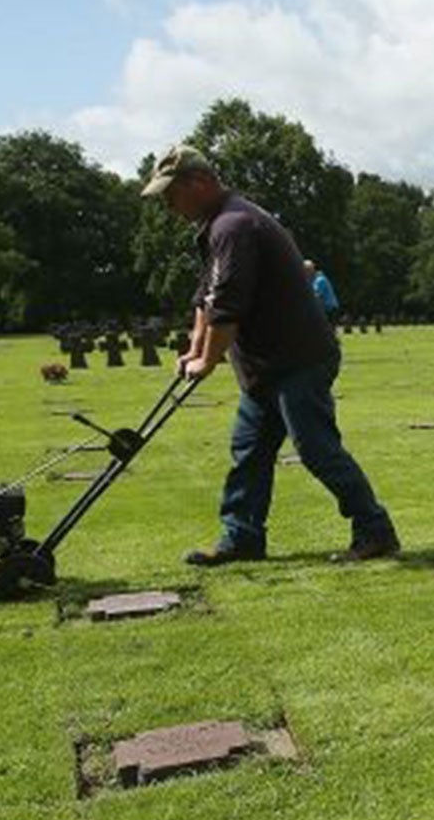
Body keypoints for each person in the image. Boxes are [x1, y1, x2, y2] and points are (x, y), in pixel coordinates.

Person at [141, 145, 398, 566]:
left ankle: (375, 530)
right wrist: (194, 348)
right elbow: (206, 301)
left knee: (316, 448)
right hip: (267, 366)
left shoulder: (235, 226)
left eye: (172, 193)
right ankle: (241, 538)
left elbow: (228, 306)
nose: (168, 204)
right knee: (250, 451)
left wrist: (206, 361)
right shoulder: (218, 225)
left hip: (297, 359)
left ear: (199, 182)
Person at [303, 259, 340, 329]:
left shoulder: (320, 280)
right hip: (325, 309)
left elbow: (316, 295)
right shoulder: (313, 280)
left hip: (330, 310)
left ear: (312, 270)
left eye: (307, 270)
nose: (305, 273)